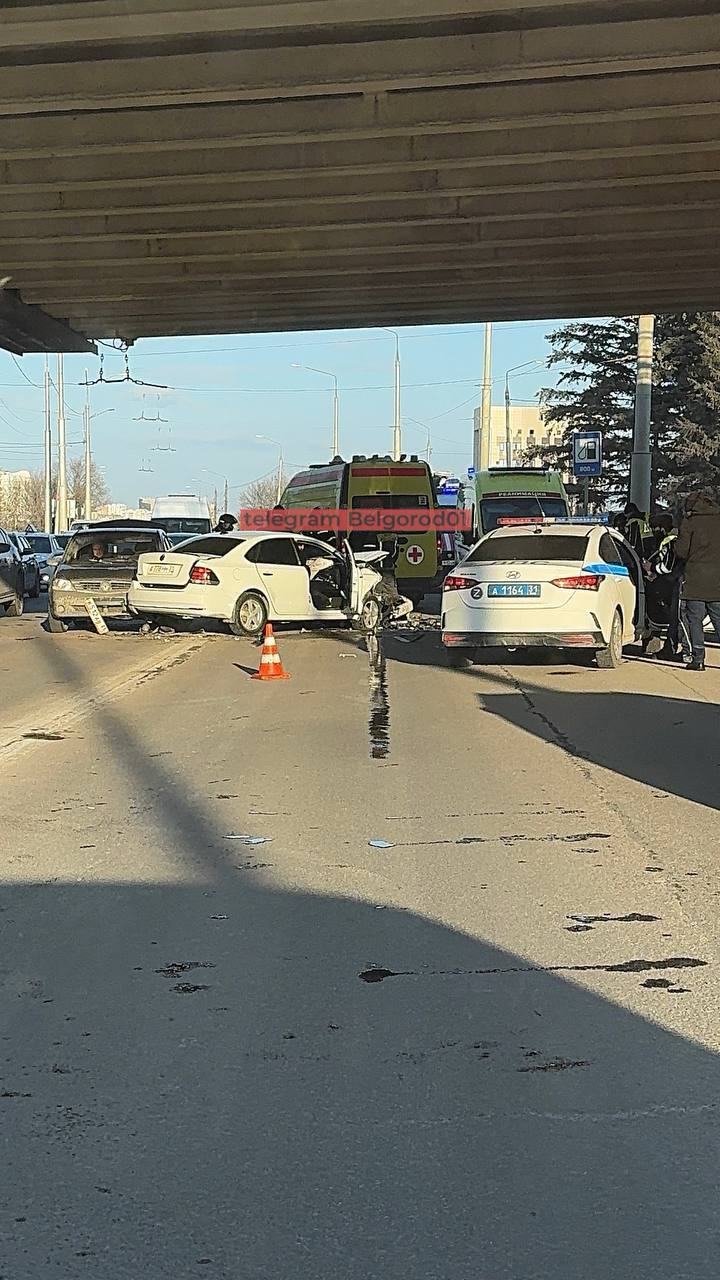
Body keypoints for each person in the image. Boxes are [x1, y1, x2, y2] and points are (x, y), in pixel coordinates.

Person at [675, 490, 720, 671]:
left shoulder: (690, 522)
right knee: (718, 619)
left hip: (695, 579)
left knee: (695, 620)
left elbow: (681, 551)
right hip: (717, 580)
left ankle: (698, 659)